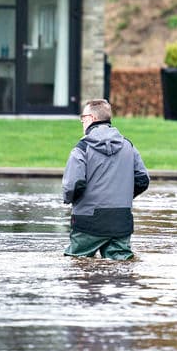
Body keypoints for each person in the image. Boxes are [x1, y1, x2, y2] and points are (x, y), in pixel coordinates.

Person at [62, 99, 149, 260]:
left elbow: (72, 185)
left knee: (76, 264)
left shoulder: (82, 148)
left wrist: (69, 200)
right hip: (121, 219)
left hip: (87, 221)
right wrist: (123, 195)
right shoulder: (128, 146)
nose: (82, 122)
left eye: (83, 118)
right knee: (121, 269)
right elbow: (143, 179)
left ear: (92, 119)